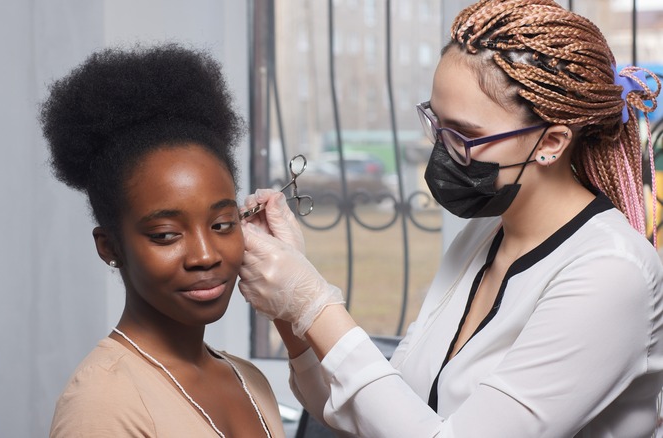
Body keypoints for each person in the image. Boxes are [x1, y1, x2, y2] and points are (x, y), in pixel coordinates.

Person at [238, 0, 663, 436]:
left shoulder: (611, 274)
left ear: (551, 142)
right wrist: (290, 311)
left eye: (463, 135)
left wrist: (315, 305)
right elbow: (374, 417)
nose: (442, 150)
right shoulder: (485, 232)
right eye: (436, 124)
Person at [41, 44, 285, 437]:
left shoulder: (248, 379)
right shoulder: (104, 403)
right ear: (110, 246)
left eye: (222, 224)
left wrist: (292, 311)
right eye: (166, 235)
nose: (205, 256)